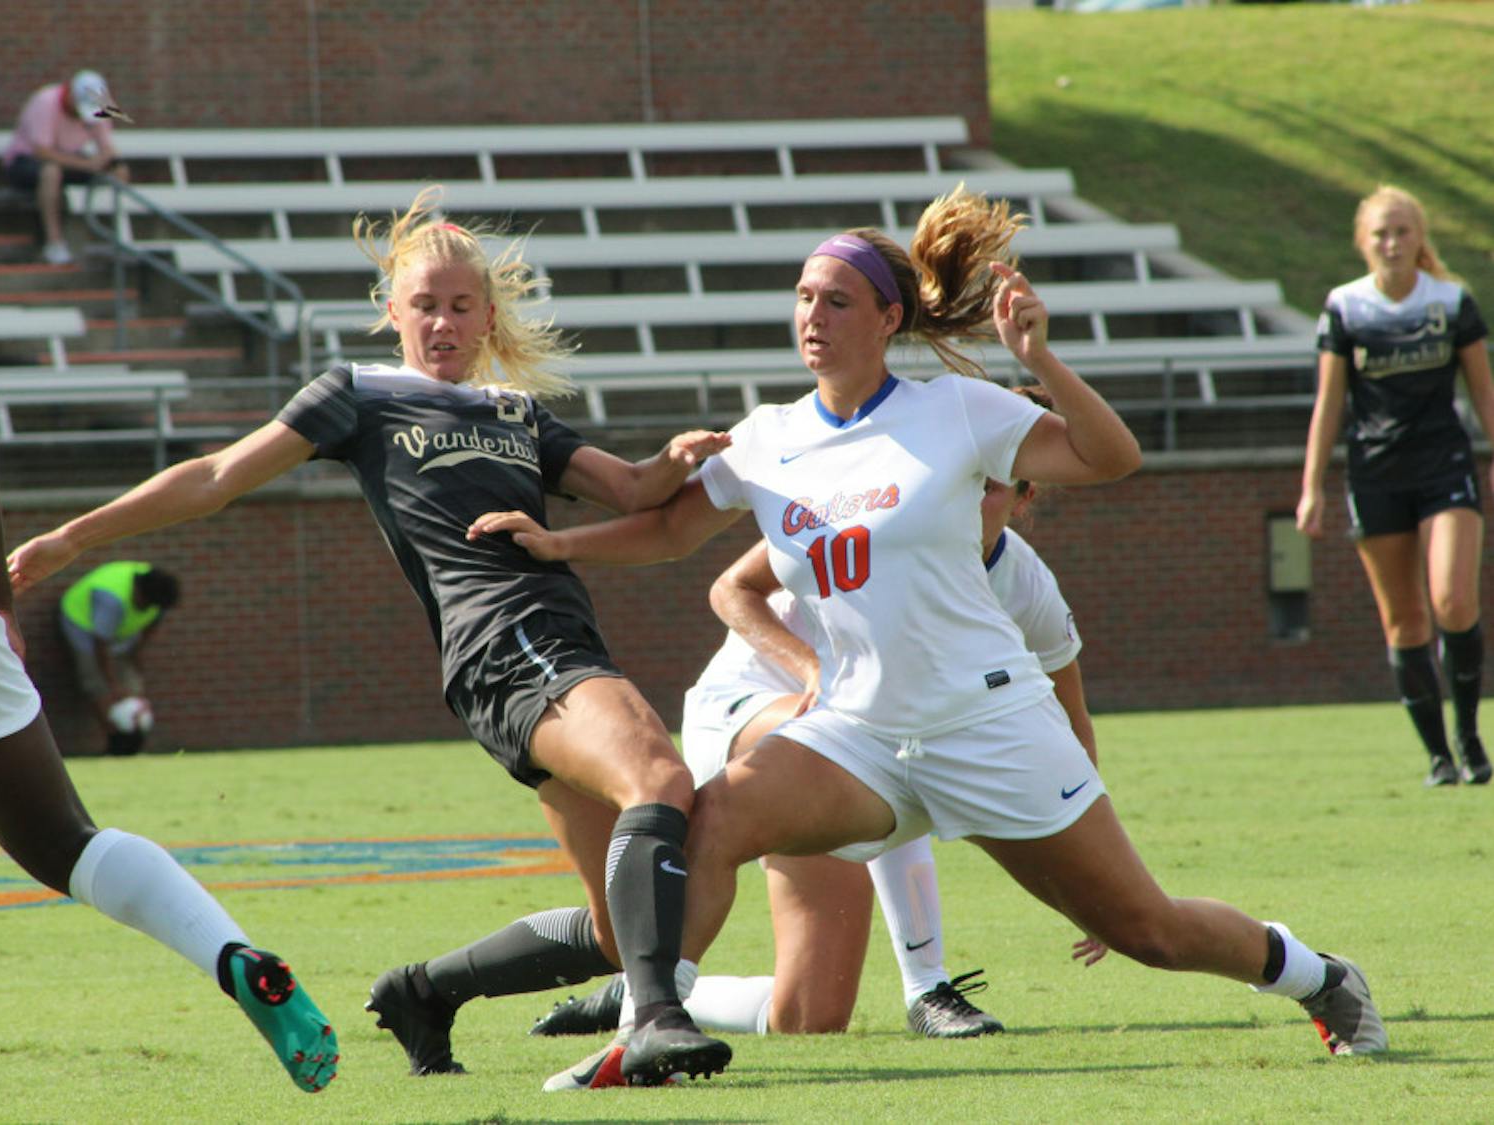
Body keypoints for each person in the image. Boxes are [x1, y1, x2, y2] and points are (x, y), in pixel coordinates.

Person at [474, 185, 1388, 1087]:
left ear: (888, 317)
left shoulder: (955, 407)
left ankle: (1322, 977)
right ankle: (650, 1031)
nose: (813, 315)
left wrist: (1043, 357)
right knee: (709, 821)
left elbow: (1111, 458)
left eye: (837, 300)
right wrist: (562, 543)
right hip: (859, 734)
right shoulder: (768, 436)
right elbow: (671, 530)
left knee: (1149, 930)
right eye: (802, 296)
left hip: (983, 722)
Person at [6, 186, 733, 1089]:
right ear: (391, 310)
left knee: (625, 920)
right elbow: (216, 476)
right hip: (508, 642)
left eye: (461, 305)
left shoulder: (517, 412)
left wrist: (681, 460)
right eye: (423, 302)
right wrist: (73, 536)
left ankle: (423, 992)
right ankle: (658, 1015)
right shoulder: (358, 394)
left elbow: (630, 490)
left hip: (552, 639)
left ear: (488, 315)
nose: (442, 320)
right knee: (660, 780)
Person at [531, 386, 1098, 1044]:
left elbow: (1071, 714)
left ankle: (638, 991)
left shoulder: (1025, 583)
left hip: (843, 737)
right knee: (888, 733)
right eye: (967, 477)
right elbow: (730, 587)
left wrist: (1090, 876)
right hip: (747, 706)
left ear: (1028, 496)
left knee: (809, 1015)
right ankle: (928, 986)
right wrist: (811, 667)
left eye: (993, 487)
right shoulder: (876, 514)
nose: (971, 495)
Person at [0, 482, 336, 1092]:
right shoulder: (113, 592)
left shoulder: (143, 599)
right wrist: (3, 613)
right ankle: (231, 957)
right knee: (66, 844)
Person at [1297, 184, 1494, 789]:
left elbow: (1482, 389)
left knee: (1452, 602)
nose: (1392, 242)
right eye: (1381, 232)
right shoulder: (1345, 307)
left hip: (1444, 467)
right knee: (1405, 622)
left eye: (1402, 231)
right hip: (1375, 474)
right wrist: (1312, 487)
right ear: (1363, 242)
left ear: (1420, 238)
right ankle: (1438, 756)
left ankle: (1468, 733)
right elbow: (1329, 402)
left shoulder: (1451, 302)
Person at [1, 69, 131, 266]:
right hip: (25, 162)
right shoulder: (45, 102)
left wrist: (116, 164)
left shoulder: (99, 107)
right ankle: (54, 243)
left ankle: (118, 237)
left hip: (70, 158)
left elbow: (106, 147)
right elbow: (42, 151)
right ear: (69, 93)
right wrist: (88, 164)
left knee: (117, 171)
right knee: (51, 172)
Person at [57, 560, 180, 755]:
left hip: (120, 629)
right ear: (139, 593)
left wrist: (137, 654)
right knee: (96, 682)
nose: (148, 609)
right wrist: (113, 685)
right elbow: (100, 646)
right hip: (83, 626)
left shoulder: (158, 593)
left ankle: (135, 737)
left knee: (131, 684)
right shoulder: (111, 599)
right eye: (146, 605)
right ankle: (117, 741)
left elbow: (152, 624)